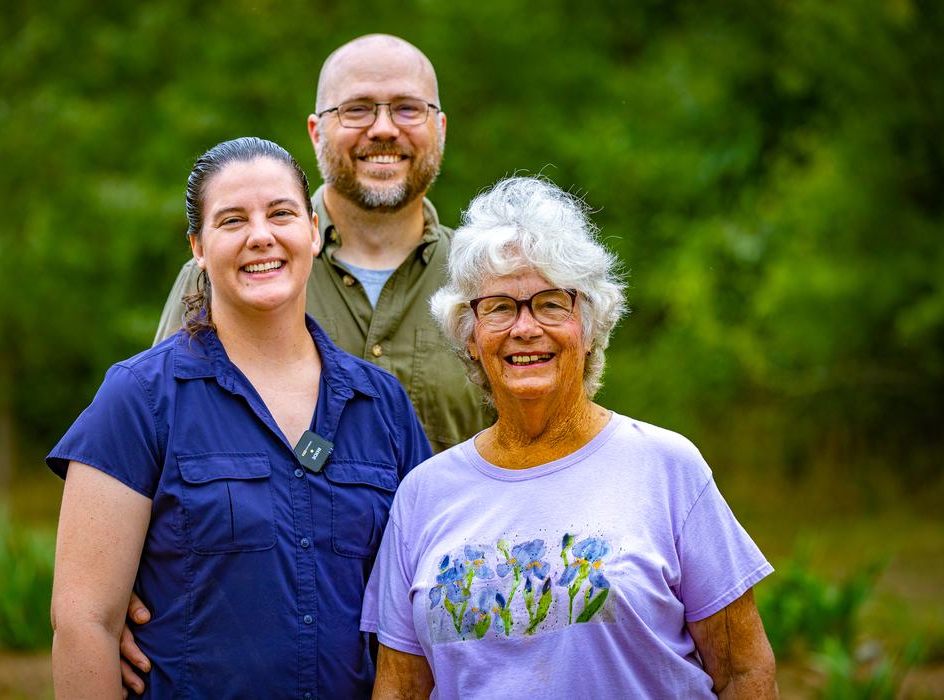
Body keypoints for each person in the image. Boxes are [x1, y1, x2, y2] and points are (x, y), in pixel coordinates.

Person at [361, 176, 778, 698]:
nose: (525, 327)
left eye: (551, 303)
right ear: (469, 336)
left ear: (589, 322)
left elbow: (743, 670)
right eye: (498, 307)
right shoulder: (423, 494)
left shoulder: (666, 467)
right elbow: (400, 689)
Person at [49, 137, 431, 699]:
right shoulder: (137, 398)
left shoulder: (384, 406)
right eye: (232, 220)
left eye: (281, 213)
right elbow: (85, 623)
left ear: (313, 230)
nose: (261, 235)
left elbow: (425, 607)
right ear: (198, 248)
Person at [153, 34, 494, 454]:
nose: (384, 129)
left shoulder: (488, 282)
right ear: (316, 131)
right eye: (357, 109)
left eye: (408, 108)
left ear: (439, 128)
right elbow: (160, 440)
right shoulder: (225, 275)